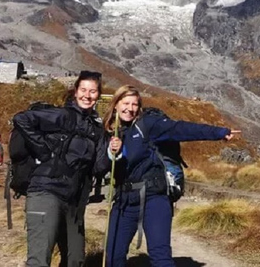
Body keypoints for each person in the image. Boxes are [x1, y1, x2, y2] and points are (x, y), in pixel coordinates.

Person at [103, 85, 240, 267]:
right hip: (124, 200)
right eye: (126, 103)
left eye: (135, 104)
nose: (130, 108)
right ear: (116, 105)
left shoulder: (148, 125)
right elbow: (100, 165)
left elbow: (180, 129)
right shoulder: (109, 131)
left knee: (160, 257)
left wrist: (219, 132)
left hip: (153, 197)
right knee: (113, 256)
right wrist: (113, 153)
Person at [13, 70, 120, 267]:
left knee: (76, 260)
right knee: (39, 260)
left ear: (98, 95)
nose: (87, 95)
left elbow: (97, 168)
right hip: (46, 192)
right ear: (75, 91)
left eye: (93, 91)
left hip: (74, 201)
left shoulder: (96, 129)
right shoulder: (61, 115)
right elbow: (22, 119)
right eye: (83, 90)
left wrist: (111, 152)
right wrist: (43, 152)